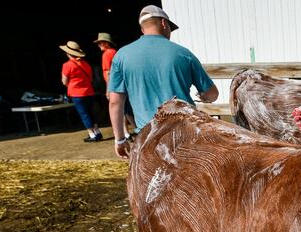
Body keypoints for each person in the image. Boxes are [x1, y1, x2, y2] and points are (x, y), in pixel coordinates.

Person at [107, 5, 218, 159]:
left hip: (148, 137)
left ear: (142, 29)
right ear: (164, 24)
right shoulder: (184, 54)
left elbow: (115, 102)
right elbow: (212, 93)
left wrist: (120, 139)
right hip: (185, 134)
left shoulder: (122, 56)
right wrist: (205, 96)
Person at [60, 41, 102, 142]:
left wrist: (71, 84)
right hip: (89, 92)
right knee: (91, 113)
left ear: (68, 53)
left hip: (77, 93)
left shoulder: (67, 65)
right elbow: (91, 79)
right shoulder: (86, 64)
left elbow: (64, 81)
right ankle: (97, 132)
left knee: (84, 114)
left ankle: (92, 135)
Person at [94, 32, 136, 135]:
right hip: (122, 83)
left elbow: (109, 72)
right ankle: (132, 130)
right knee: (125, 109)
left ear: (106, 43)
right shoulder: (115, 52)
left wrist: (108, 89)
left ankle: (127, 133)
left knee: (119, 109)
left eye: (101, 43)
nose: (99, 45)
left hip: (115, 85)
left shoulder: (106, 54)